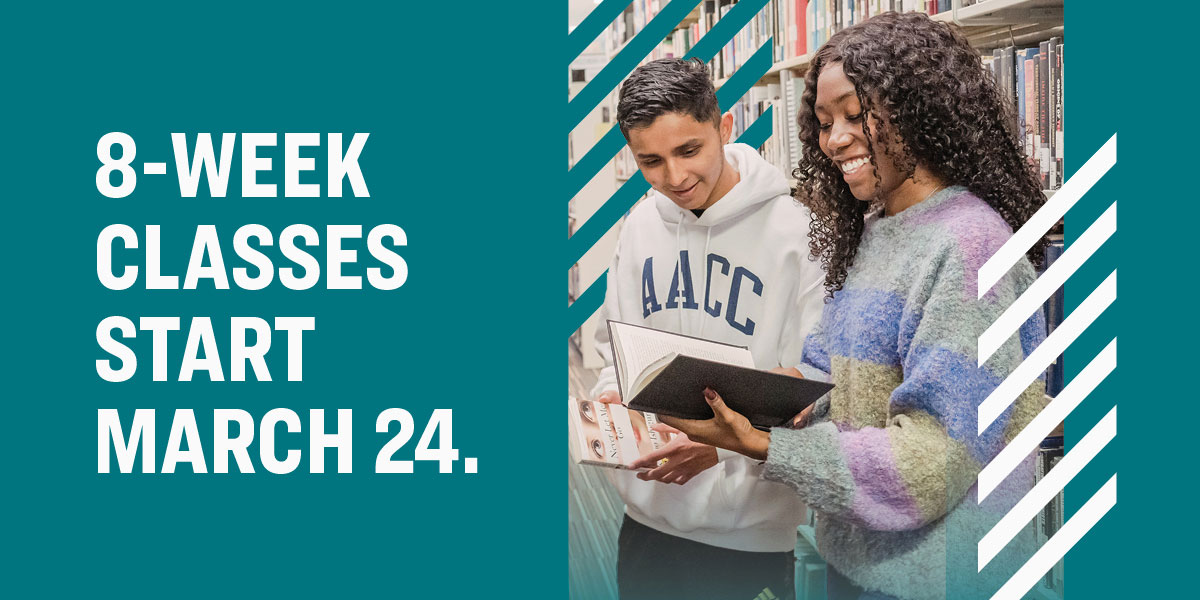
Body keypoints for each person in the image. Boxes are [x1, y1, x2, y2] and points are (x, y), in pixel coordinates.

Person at [659, 12, 1049, 600]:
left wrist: (765, 445)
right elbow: (825, 373)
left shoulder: (969, 246)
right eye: (822, 121)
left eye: (854, 113)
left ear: (918, 106)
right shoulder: (875, 228)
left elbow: (935, 459)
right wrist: (722, 400)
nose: (834, 138)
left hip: (939, 581)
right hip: (860, 562)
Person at [589, 57, 826, 600]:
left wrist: (720, 446)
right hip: (647, 518)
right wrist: (607, 411)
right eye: (650, 161)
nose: (675, 177)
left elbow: (814, 382)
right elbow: (613, 352)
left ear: (723, 128)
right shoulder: (640, 226)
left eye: (688, 150)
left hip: (753, 535)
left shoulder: (799, 232)